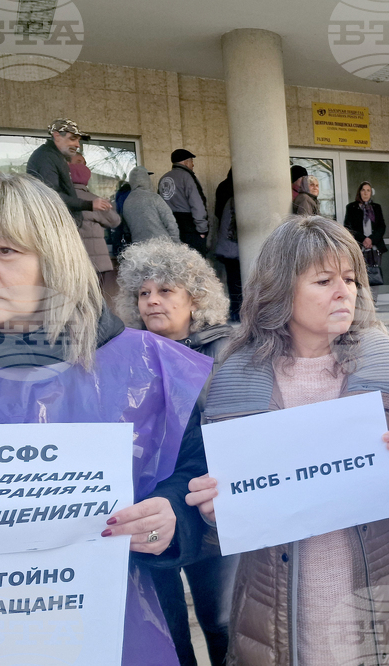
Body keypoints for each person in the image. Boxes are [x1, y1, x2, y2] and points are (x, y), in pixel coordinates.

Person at [0, 172, 215, 666]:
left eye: (4, 250)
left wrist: (173, 516)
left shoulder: (150, 366)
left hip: (130, 633)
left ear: (54, 257)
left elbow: (195, 476)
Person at [185, 216, 389, 666]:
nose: (344, 291)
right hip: (276, 622)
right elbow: (222, 519)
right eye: (324, 280)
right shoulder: (231, 382)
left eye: (350, 279)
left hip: (388, 608)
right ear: (279, 289)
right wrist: (217, 512)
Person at [115, 238, 235, 666]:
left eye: (165, 290)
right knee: (167, 632)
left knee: (222, 623)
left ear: (195, 297)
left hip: (212, 507)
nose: (151, 301)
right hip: (150, 510)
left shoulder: (231, 351)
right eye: (143, 293)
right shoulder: (125, 356)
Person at [26, 118, 111, 226]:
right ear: (56, 135)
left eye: (78, 140)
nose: (77, 145)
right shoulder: (46, 157)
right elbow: (52, 195)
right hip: (51, 227)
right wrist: (89, 204)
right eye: (73, 138)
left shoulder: (55, 157)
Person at [69, 154, 121, 287]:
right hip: (96, 264)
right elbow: (115, 221)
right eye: (80, 162)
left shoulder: (58, 199)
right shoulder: (93, 199)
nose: (84, 166)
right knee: (95, 303)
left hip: (69, 263)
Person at [158, 149, 210, 256]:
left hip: (169, 229)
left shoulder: (163, 178)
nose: (193, 164)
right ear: (186, 162)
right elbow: (197, 204)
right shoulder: (187, 177)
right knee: (195, 266)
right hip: (190, 229)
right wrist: (202, 230)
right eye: (191, 161)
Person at [124, 166, 181, 244]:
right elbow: (170, 222)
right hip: (161, 245)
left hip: (139, 248)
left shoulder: (127, 202)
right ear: (146, 180)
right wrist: (176, 242)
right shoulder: (154, 198)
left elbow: (126, 230)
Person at [213, 168, 242, 322]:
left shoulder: (223, 188)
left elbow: (218, 214)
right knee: (239, 279)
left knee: (232, 279)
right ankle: (239, 311)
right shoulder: (239, 196)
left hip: (227, 244)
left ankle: (235, 311)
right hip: (235, 245)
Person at [343, 181, 387, 255]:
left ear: (371, 193)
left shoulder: (376, 207)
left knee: (375, 266)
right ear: (359, 192)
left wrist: (371, 239)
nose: (366, 193)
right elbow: (348, 227)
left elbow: (381, 226)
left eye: (368, 190)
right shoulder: (351, 207)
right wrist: (363, 239)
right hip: (359, 246)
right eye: (363, 190)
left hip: (375, 246)